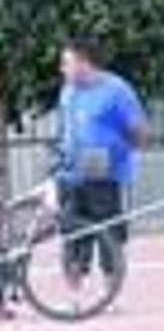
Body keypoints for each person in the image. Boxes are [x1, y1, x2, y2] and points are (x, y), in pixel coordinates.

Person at [56, 39, 149, 279]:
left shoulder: (116, 89)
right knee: (72, 233)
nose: (62, 69)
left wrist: (114, 154)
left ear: (83, 63)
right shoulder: (67, 92)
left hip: (104, 169)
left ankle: (110, 287)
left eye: (66, 63)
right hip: (70, 170)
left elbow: (139, 132)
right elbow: (65, 129)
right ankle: (76, 298)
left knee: (108, 228)